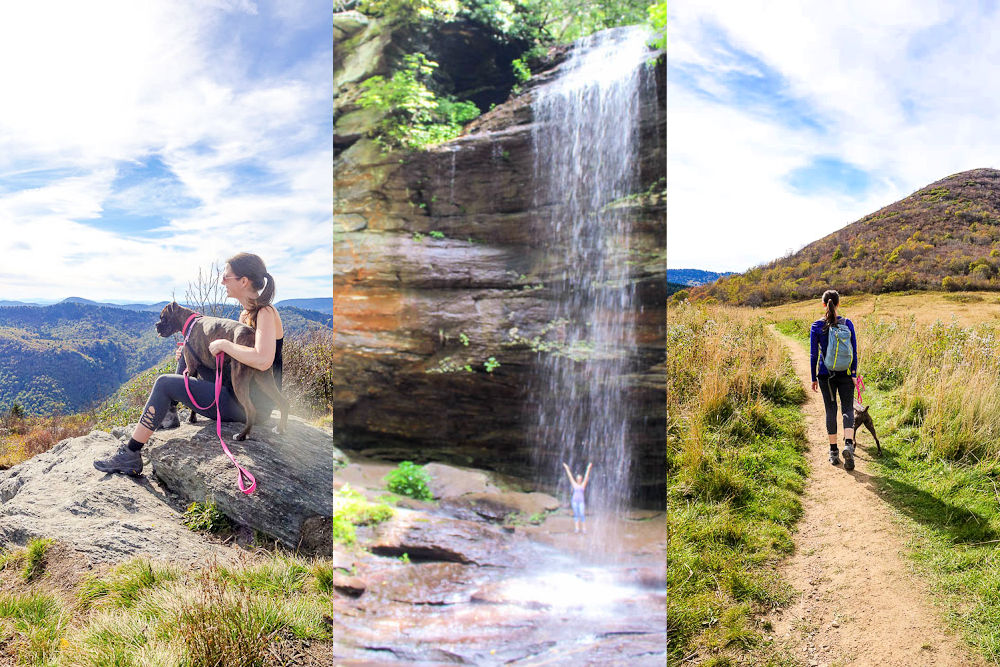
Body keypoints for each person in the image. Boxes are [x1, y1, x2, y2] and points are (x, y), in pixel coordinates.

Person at [94, 252, 284, 476]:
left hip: (247, 404)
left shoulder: (266, 313)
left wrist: (224, 344)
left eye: (226, 277)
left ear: (243, 281)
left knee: (164, 383)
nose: (222, 281)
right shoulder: (246, 314)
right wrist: (192, 351)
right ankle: (170, 414)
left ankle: (131, 454)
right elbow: (238, 361)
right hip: (235, 390)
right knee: (188, 347)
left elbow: (263, 360)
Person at [810, 289, 859, 470]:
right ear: (838, 304)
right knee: (847, 409)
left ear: (823, 304)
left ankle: (833, 452)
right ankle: (848, 445)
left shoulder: (816, 326)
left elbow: (813, 354)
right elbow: (854, 350)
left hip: (825, 375)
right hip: (845, 374)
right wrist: (853, 373)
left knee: (831, 410)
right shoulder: (847, 323)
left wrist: (813, 377)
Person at [562, 461, 592, 534]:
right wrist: (566, 468)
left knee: (582, 514)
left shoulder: (583, 485)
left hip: (581, 502)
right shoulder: (574, 485)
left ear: (581, 479)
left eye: (580, 478)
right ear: (576, 479)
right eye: (578, 478)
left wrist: (588, 468)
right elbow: (570, 476)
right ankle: (577, 528)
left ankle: (584, 528)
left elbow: (586, 477)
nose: (579, 479)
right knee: (576, 514)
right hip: (574, 501)